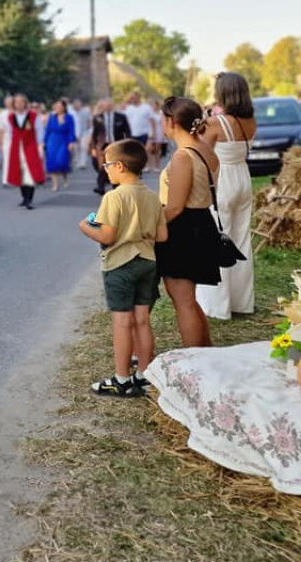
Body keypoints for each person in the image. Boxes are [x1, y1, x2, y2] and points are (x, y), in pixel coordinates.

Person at [78, 139, 168, 397]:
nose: (104, 169)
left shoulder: (113, 197)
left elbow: (107, 236)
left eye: (106, 164)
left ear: (119, 166)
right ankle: (144, 374)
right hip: (148, 262)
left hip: (120, 264)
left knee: (122, 323)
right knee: (142, 320)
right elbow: (162, 236)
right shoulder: (152, 197)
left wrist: (85, 225)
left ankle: (121, 378)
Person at [155, 97, 221, 348]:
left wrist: (146, 227)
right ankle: (206, 350)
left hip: (183, 228)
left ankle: (193, 358)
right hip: (201, 222)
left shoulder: (184, 156)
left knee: (182, 300)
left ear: (172, 122)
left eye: (162, 118)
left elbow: (174, 207)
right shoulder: (205, 149)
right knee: (189, 300)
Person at [197, 72, 257, 320]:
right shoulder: (250, 121)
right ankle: (242, 302)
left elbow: (199, 151)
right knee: (241, 240)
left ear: (224, 94)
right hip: (243, 178)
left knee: (217, 239)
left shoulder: (215, 123)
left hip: (222, 180)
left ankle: (217, 305)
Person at [2, 94, 46, 209]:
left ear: (25, 103)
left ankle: (29, 199)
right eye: (16, 102)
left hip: (30, 146)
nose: (19, 104)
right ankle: (24, 197)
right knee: (19, 173)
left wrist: (40, 144)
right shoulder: (11, 117)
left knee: (29, 174)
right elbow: (10, 132)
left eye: (21, 102)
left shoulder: (33, 116)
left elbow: (39, 130)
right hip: (17, 147)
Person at [91, 99, 131, 195]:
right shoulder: (98, 118)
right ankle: (101, 186)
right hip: (103, 145)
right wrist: (93, 147)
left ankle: (115, 186)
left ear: (112, 106)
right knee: (102, 166)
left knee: (115, 165)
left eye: (108, 105)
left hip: (116, 144)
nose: (106, 107)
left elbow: (127, 131)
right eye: (105, 106)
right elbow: (94, 133)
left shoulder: (121, 117)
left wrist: (128, 144)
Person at [44, 99, 77, 192]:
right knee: (52, 162)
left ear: (64, 107)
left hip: (63, 140)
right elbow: (47, 130)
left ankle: (65, 177)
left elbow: (71, 130)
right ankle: (55, 184)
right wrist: (44, 141)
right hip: (52, 140)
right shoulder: (51, 117)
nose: (58, 108)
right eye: (56, 106)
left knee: (62, 160)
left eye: (60, 106)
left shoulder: (69, 117)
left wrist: (71, 142)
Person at [0, 95, 15, 181]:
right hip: (6, 138)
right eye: (7, 103)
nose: (8, 104)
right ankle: (7, 179)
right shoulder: (3, 114)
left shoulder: (19, 113)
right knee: (7, 158)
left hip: (18, 138)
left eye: (10, 102)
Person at [72, 99, 93, 170]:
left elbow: (89, 121)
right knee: (76, 148)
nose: (77, 107)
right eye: (75, 106)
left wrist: (90, 131)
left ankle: (83, 162)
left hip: (84, 132)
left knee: (83, 147)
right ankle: (77, 161)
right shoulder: (71, 113)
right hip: (74, 133)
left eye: (78, 105)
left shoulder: (85, 112)